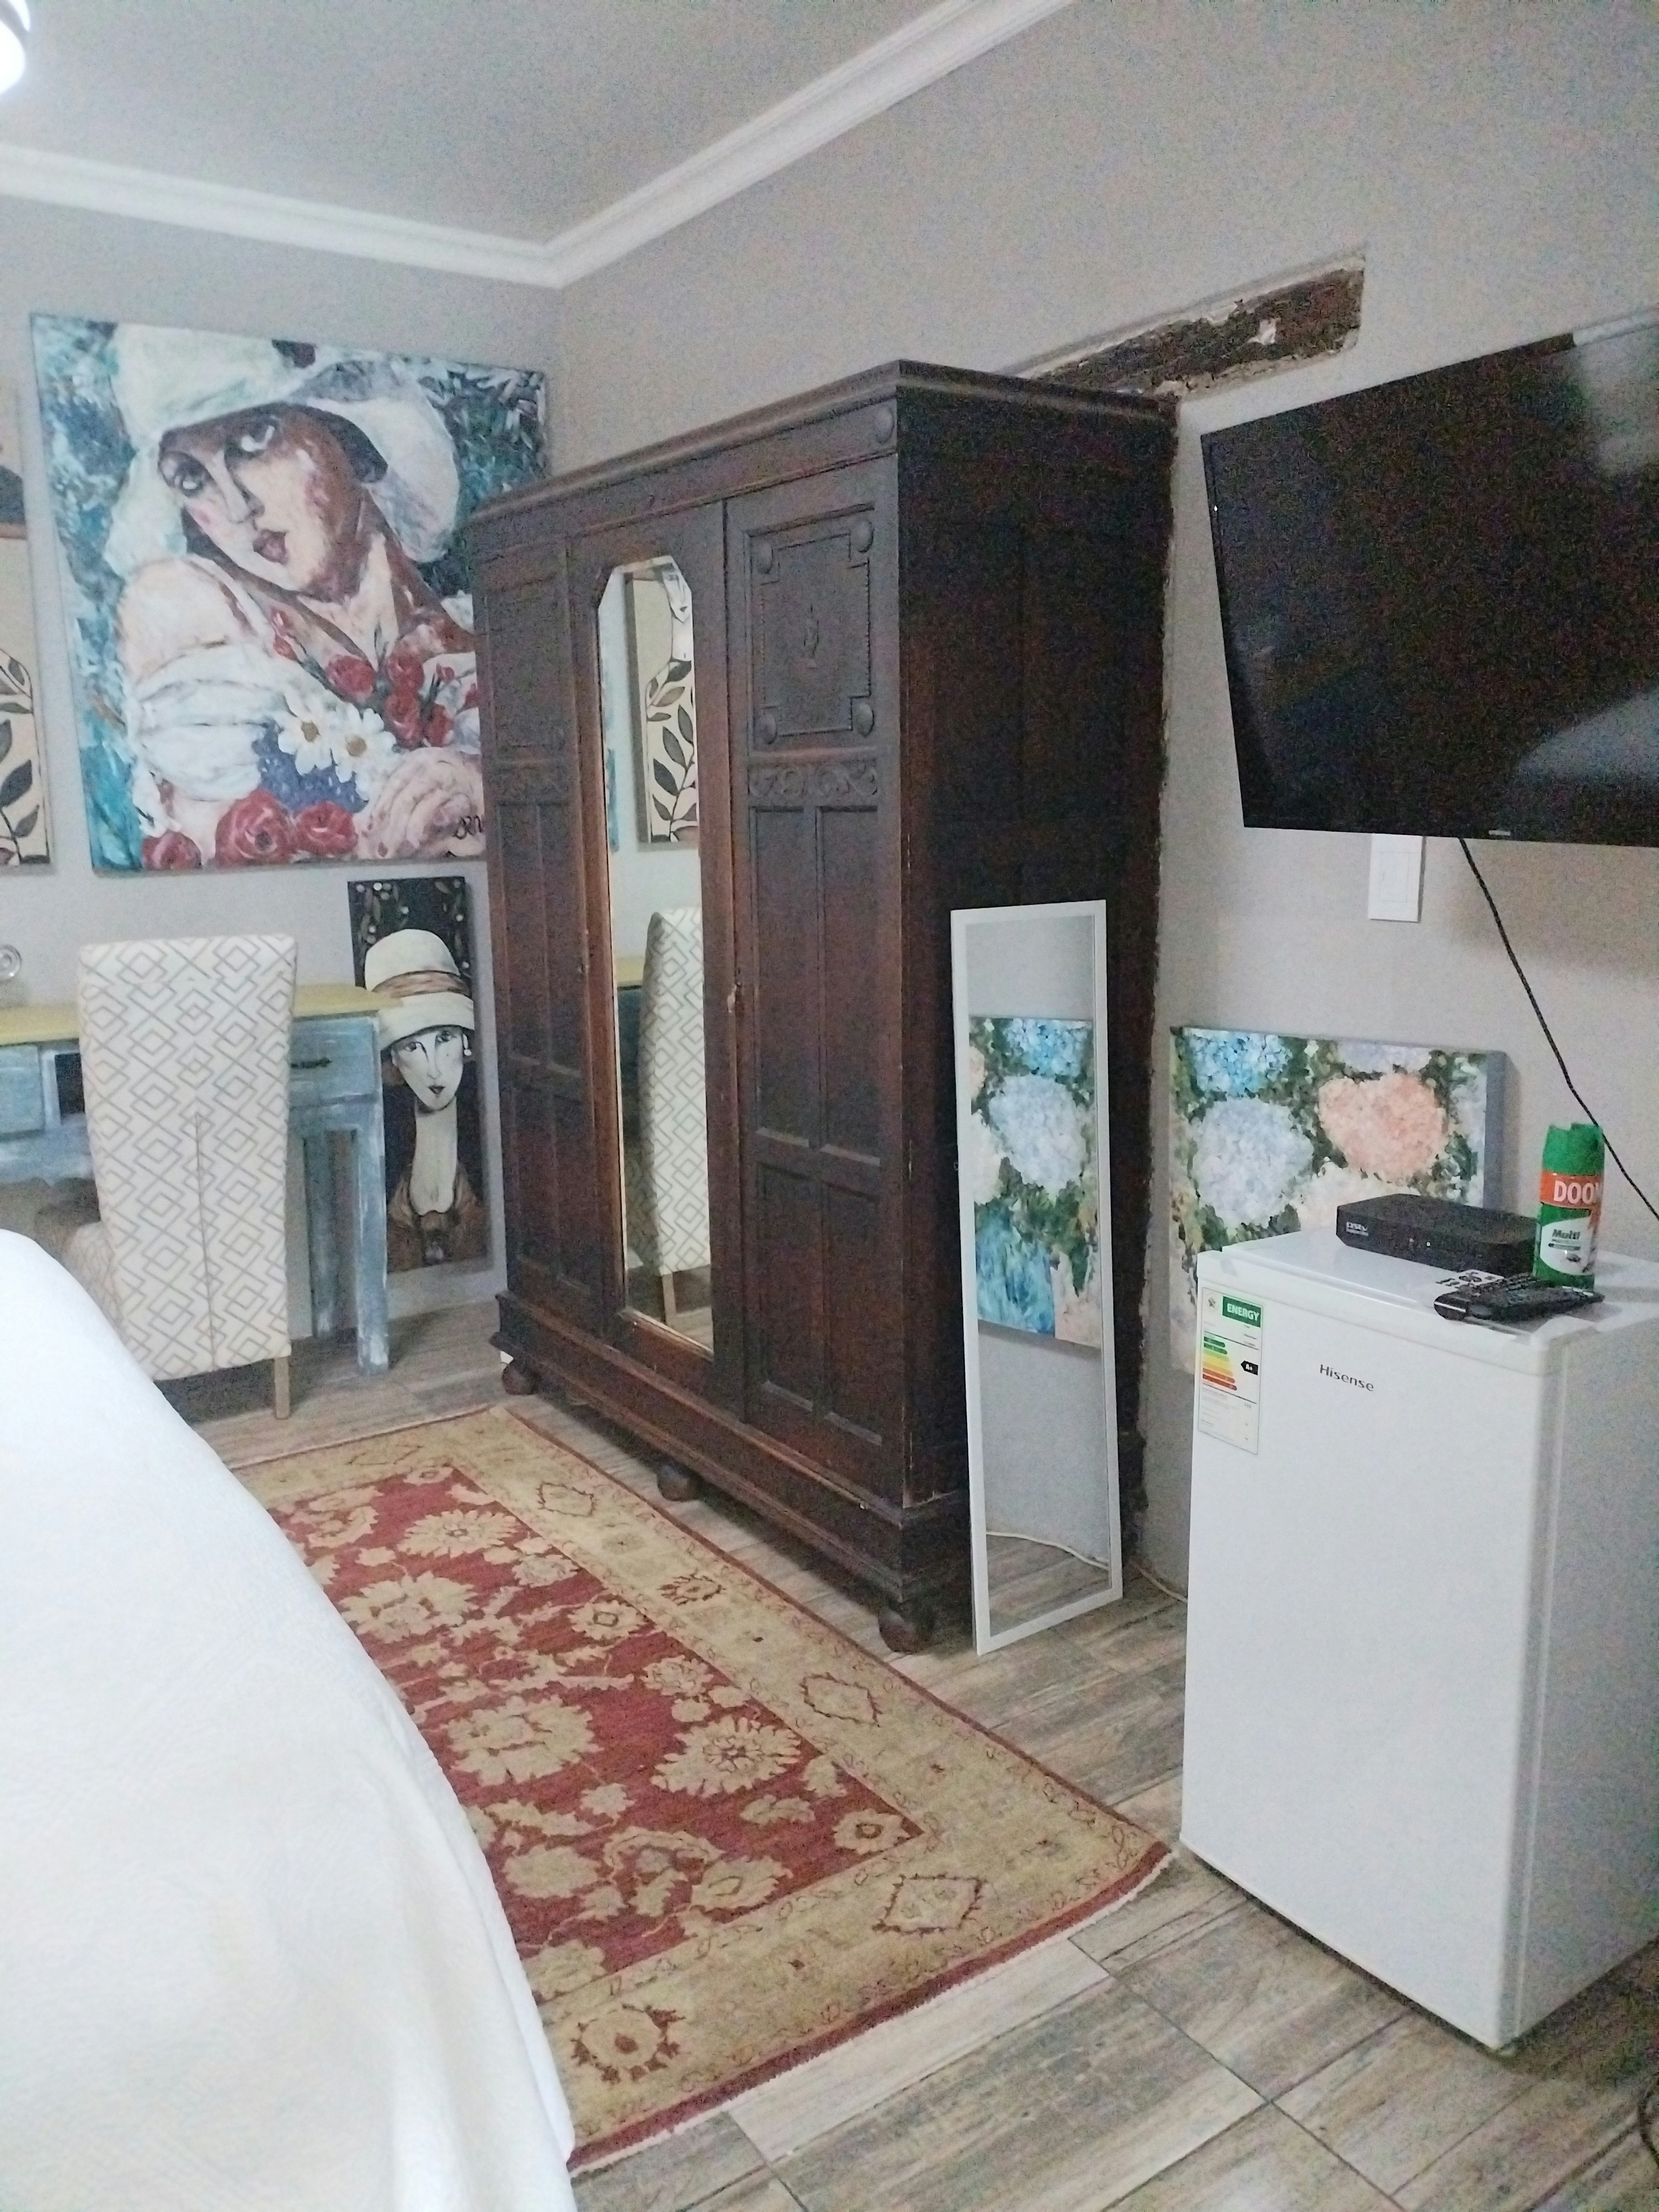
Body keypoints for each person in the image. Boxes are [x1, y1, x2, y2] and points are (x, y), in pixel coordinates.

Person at [104, 327, 484, 869]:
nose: (237, 506)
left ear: (343, 432)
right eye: (191, 478)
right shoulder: (189, 609)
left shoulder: (472, 630)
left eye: (254, 439)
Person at [364, 928, 489, 1271]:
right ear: (394, 1058)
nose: (433, 1070)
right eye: (412, 1046)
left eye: (445, 1038)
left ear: (465, 1043)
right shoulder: (386, 1135)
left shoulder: (488, 1125)